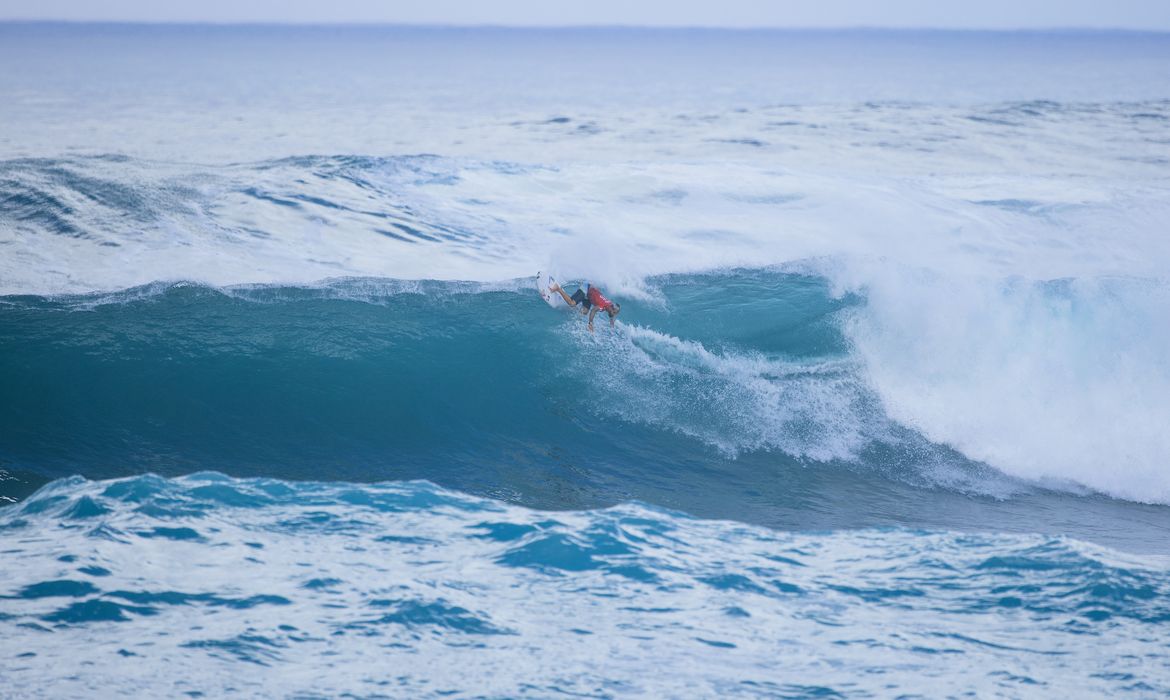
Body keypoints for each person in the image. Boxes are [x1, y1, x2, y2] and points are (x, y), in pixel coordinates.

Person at [549, 281, 621, 332]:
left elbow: (612, 312)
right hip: (586, 289)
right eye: (614, 312)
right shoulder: (602, 306)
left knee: (584, 312)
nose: (613, 314)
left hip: (590, 296)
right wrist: (590, 323)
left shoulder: (610, 305)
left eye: (615, 313)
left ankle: (571, 305)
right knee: (571, 303)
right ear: (611, 308)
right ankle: (558, 288)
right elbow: (593, 311)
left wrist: (611, 320)